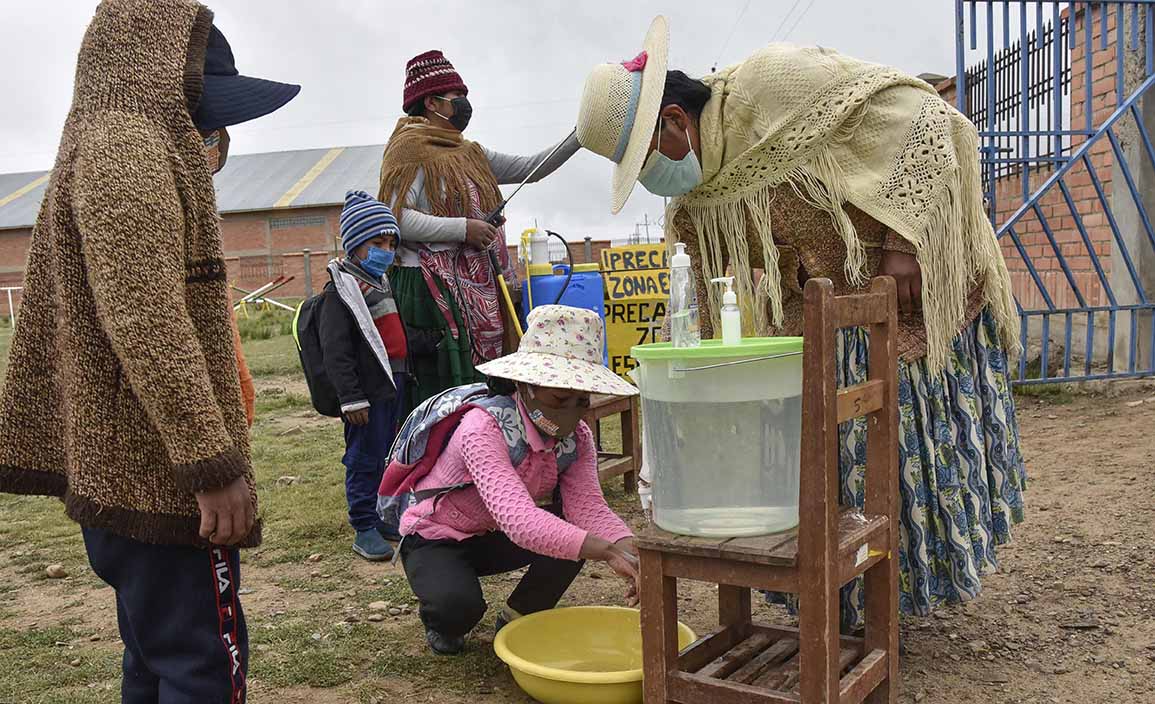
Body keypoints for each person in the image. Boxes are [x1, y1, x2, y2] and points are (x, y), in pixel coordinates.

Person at [578, 17, 1027, 630]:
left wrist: (903, 243)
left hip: (906, 286)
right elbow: (708, 282)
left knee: (897, 447)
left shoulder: (773, 85)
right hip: (824, 317)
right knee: (828, 463)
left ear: (677, 121)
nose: (653, 180)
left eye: (645, 161)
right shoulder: (702, 186)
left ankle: (895, 593)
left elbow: (921, 117)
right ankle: (845, 602)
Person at [0, 2, 299, 701]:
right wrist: (212, 465)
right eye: (205, 110)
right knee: (199, 667)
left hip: (130, 472)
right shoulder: (128, 150)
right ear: (164, 72)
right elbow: (147, 321)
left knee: (156, 656)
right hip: (163, 482)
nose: (212, 135)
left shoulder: (109, 142)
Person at [381, 305, 640, 656]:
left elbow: (588, 507)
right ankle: (442, 621)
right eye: (559, 398)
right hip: (437, 537)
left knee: (572, 536)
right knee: (458, 607)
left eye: (581, 400)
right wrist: (606, 550)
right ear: (525, 386)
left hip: (493, 535)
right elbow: (519, 520)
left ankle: (518, 619)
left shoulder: (576, 437)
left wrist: (631, 550)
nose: (572, 412)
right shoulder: (482, 428)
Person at [377, 50, 582, 422]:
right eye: (457, 98)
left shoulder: (470, 152)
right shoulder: (407, 152)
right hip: (428, 290)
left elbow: (529, 169)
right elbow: (398, 219)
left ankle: (483, 445)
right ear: (432, 102)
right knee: (440, 384)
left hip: (478, 286)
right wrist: (463, 228)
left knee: (481, 381)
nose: (464, 105)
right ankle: (438, 461)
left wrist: (580, 136)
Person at [317, 191, 437, 560]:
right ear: (354, 245)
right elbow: (337, 351)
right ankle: (363, 525)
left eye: (390, 243)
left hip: (394, 384)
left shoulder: (381, 283)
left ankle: (382, 515)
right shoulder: (342, 291)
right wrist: (351, 397)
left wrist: (426, 342)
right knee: (363, 456)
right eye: (377, 243)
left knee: (387, 453)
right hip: (366, 395)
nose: (386, 250)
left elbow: (391, 333)